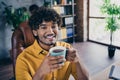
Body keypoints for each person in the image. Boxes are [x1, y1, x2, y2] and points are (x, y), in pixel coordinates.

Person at [15, 7, 89, 80]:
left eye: (53, 26)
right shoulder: (23, 59)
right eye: (44, 27)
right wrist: (41, 72)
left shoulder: (67, 48)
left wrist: (77, 61)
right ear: (35, 32)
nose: (50, 32)